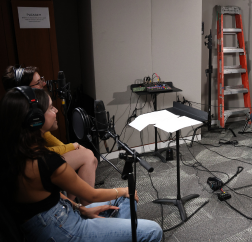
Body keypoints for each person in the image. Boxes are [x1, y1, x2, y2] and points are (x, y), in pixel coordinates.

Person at [0, 87, 162, 242]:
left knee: (125, 200)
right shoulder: (48, 162)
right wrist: (124, 189)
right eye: (50, 108)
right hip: (62, 230)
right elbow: (91, 195)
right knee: (152, 230)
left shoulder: (12, 154)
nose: (56, 110)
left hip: (50, 220)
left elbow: (51, 197)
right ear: (35, 118)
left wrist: (81, 208)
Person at [3, 65, 98, 204]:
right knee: (88, 156)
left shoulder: (31, 112)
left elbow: (48, 140)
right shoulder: (25, 116)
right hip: (33, 167)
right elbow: (39, 153)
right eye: (38, 82)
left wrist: (73, 147)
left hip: (42, 160)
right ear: (25, 90)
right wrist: (73, 146)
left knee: (88, 157)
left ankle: (73, 206)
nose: (44, 83)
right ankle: (83, 206)